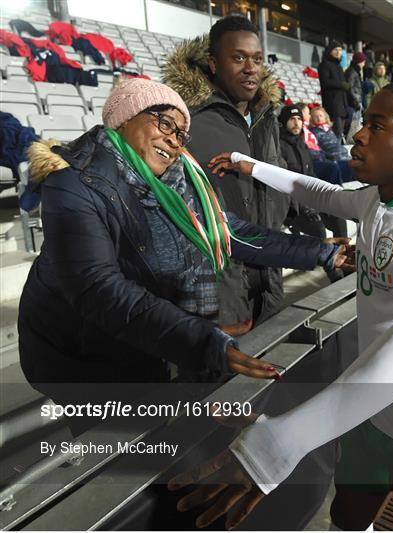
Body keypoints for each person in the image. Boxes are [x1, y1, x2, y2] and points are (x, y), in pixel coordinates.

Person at [169, 82, 393, 532]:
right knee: (346, 518)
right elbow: (318, 193)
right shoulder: (373, 199)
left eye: (377, 127)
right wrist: (250, 165)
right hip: (371, 409)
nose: (360, 135)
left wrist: (287, 439)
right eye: (364, 122)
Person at [18, 79, 352, 436]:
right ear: (125, 117)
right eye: (163, 123)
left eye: (180, 132)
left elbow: (230, 232)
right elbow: (99, 288)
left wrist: (323, 252)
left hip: (142, 337)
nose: (173, 139)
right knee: (118, 454)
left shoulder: (179, 180)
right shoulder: (72, 185)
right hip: (82, 355)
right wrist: (199, 340)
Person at [164, 15, 291, 325]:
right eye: (238, 58)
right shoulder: (185, 119)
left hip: (269, 277)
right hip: (217, 286)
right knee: (223, 372)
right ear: (213, 64)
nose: (251, 68)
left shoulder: (267, 117)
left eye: (257, 59)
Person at [278, 104, 348, 241]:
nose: (296, 122)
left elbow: (311, 176)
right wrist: (305, 207)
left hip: (309, 200)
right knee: (319, 230)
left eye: (299, 119)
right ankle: (320, 261)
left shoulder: (302, 144)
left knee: (338, 218)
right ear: (284, 122)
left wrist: (325, 197)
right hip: (292, 207)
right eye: (292, 119)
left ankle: (343, 255)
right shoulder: (279, 147)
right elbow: (282, 183)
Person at [318, 39, 350, 140]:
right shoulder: (324, 64)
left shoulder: (339, 66)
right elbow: (325, 82)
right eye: (335, 49)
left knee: (340, 134)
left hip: (342, 106)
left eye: (340, 50)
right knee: (335, 134)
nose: (338, 52)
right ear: (330, 51)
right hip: (332, 106)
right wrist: (341, 84)